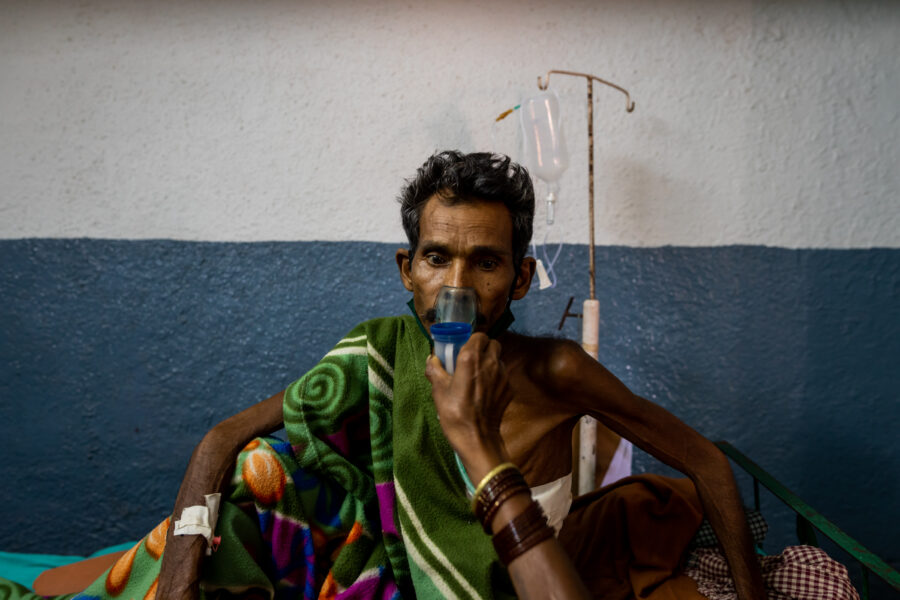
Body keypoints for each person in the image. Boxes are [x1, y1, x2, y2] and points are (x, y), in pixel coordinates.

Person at [26, 151, 764, 599]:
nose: (459, 285)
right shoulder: (381, 354)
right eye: (438, 257)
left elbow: (704, 461)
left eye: (488, 261)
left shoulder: (555, 371)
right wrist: (184, 569)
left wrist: (753, 596)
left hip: (508, 584)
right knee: (259, 473)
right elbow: (224, 438)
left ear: (522, 278)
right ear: (406, 270)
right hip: (377, 577)